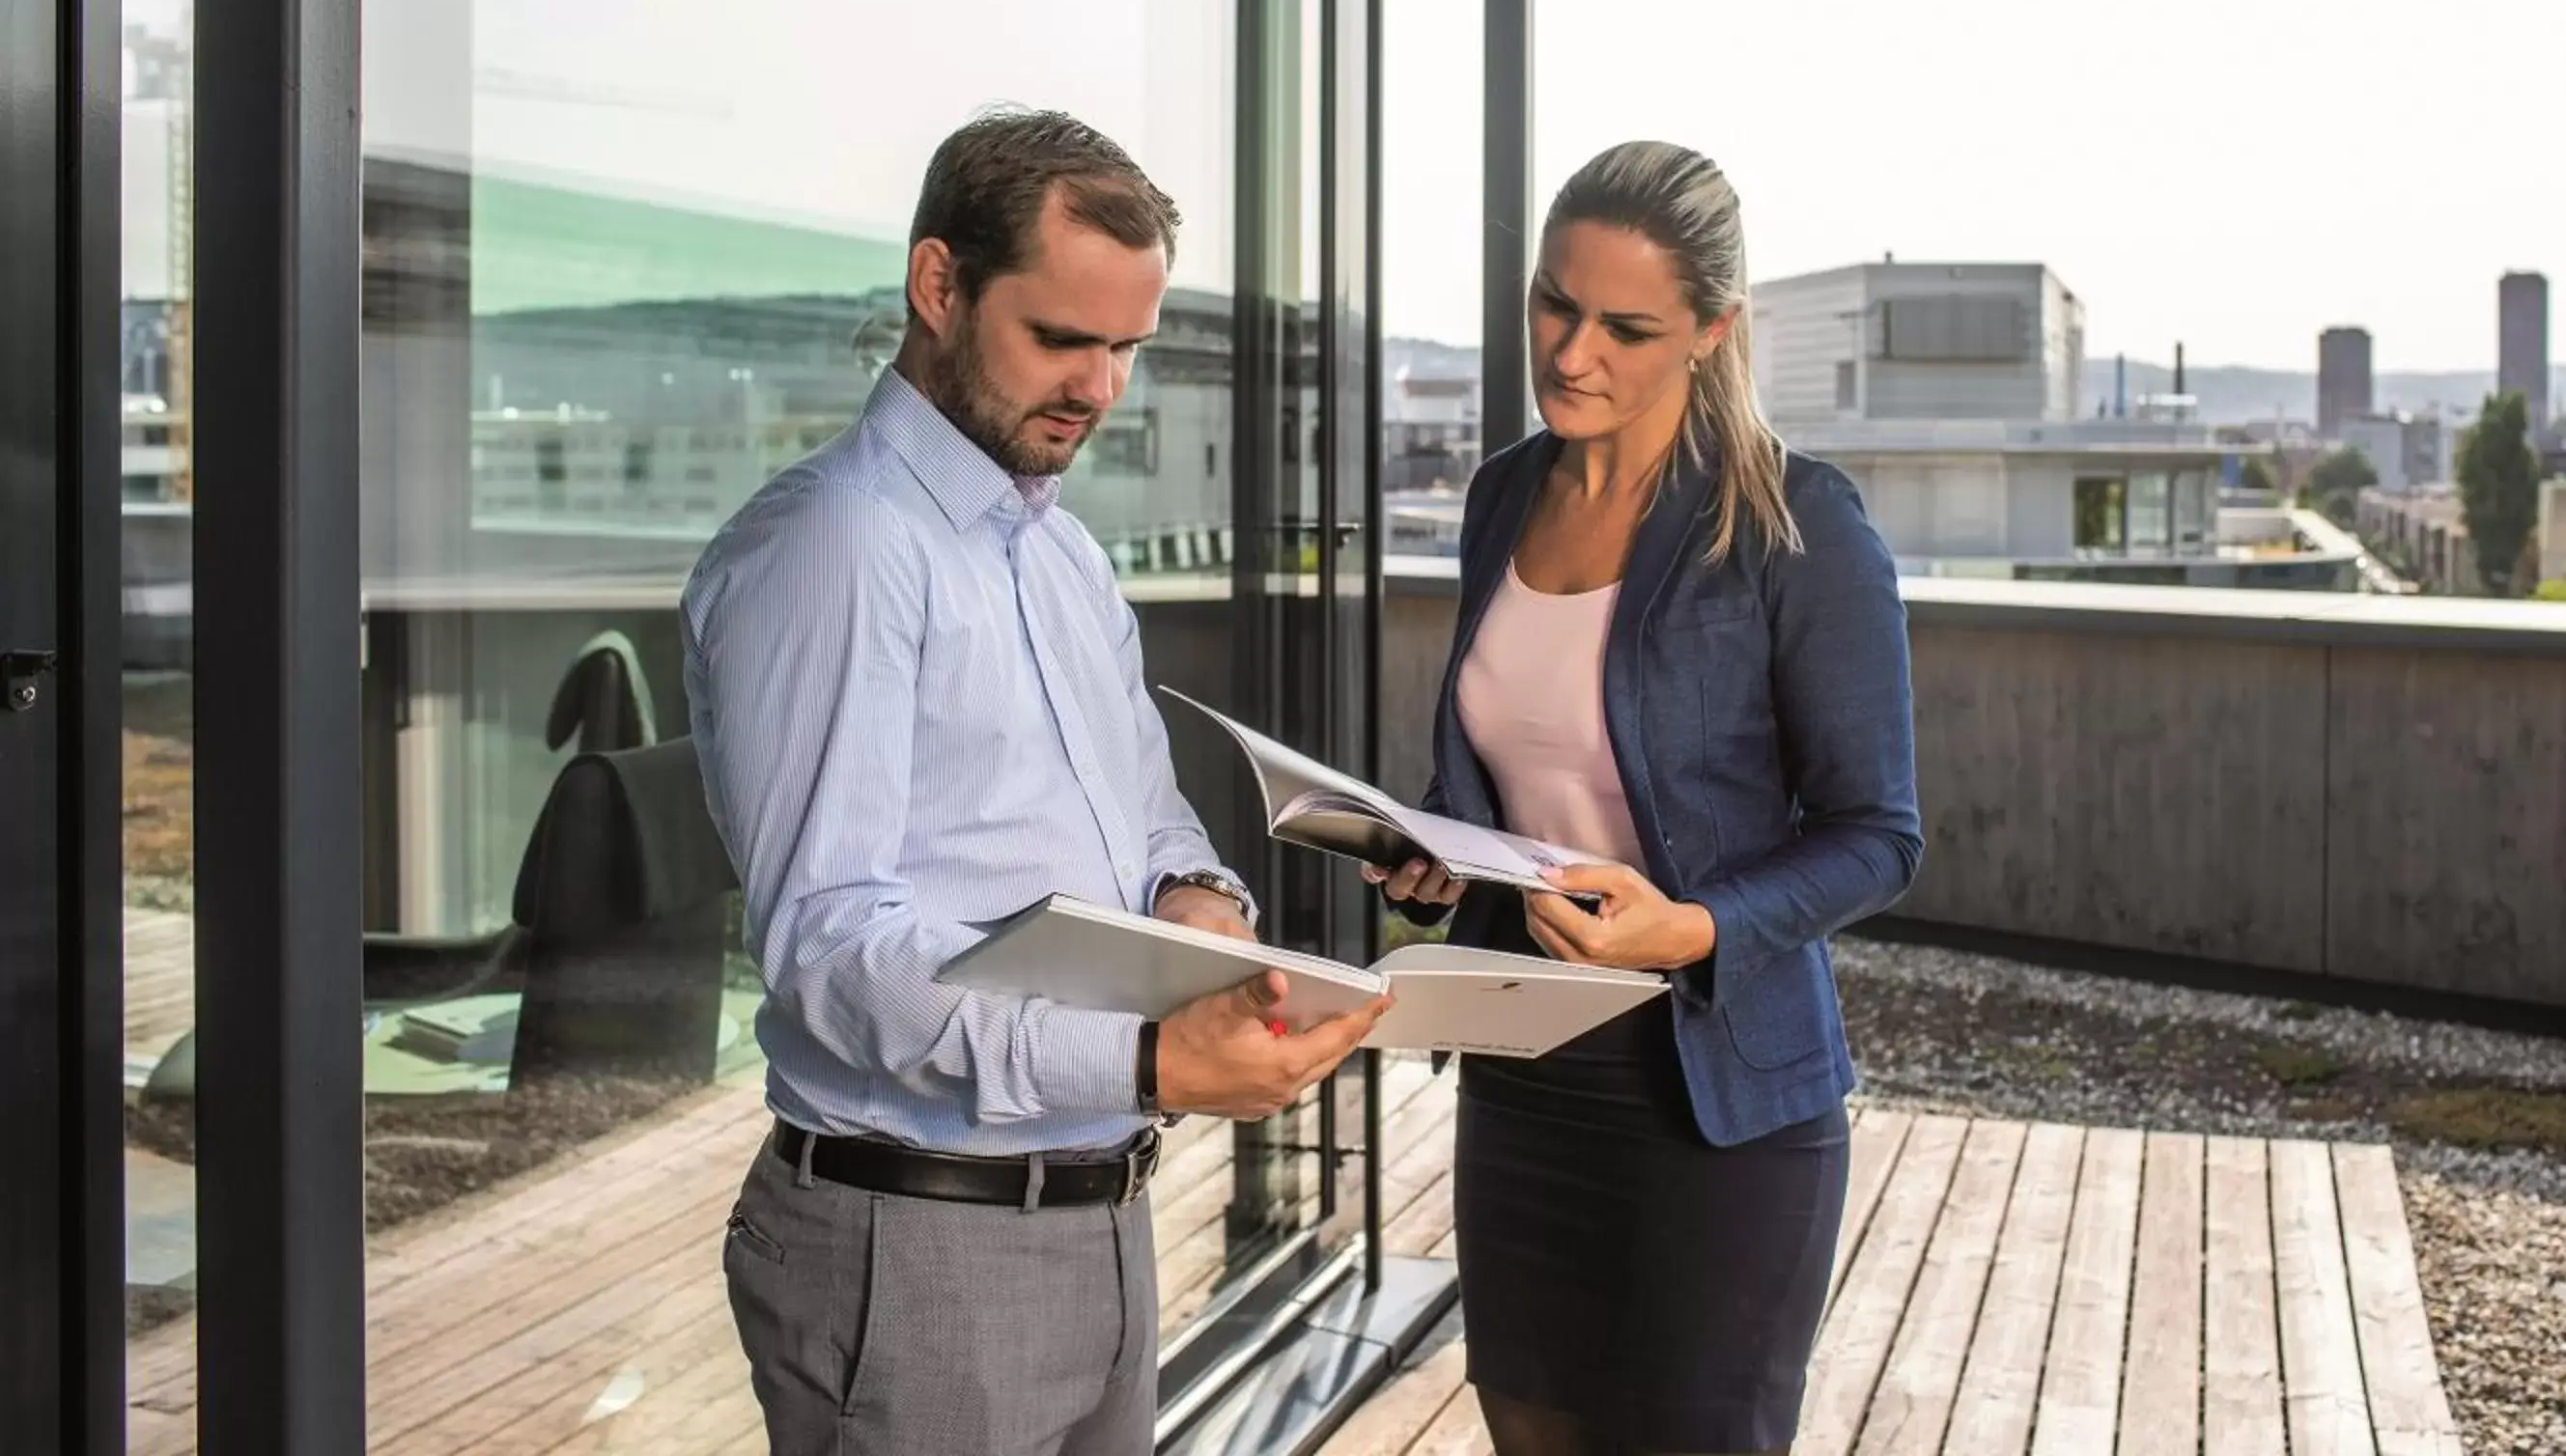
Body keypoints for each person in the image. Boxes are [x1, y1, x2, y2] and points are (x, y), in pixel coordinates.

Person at [684, 109, 1391, 1455]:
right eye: (1063, 340)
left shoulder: (1059, 558)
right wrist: (1144, 1050)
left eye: (1126, 347)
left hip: (1102, 1220)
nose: (1102, 389)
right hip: (920, 1251)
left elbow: (1146, 814)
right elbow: (832, 952)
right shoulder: (840, 548)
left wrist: (1195, 909)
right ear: (938, 285)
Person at [1372, 142, 1922, 1456]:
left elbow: (1878, 836)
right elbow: (1518, 759)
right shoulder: (1505, 493)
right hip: (1525, 1078)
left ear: (1710, 333)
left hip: (1716, 1105)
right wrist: (1431, 843)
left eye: (1626, 327)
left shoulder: (1796, 523)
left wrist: (1686, 926)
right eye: (1553, 305)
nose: (1571, 352)